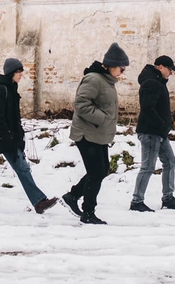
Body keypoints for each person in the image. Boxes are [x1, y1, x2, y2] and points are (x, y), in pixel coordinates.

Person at [0, 58, 58, 214]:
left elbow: (14, 117)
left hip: (10, 139)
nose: (21, 74)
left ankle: (39, 202)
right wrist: (8, 135)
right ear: (11, 73)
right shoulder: (1, 90)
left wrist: (18, 136)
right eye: (18, 71)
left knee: (23, 169)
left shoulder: (12, 89)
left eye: (21, 71)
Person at [62, 42, 129, 225]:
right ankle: (88, 212)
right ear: (111, 65)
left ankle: (73, 195)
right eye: (121, 69)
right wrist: (103, 119)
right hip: (87, 134)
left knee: (101, 170)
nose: (122, 73)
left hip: (98, 134)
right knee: (96, 173)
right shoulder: (94, 79)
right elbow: (81, 105)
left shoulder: (106, 81)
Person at [130, 55, 175, 212]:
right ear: (160, 67)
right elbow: (148, 108)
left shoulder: (157, 82)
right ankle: (136, 201)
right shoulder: (151, 83)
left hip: (158, 132)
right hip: (150, 132)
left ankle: (168, 198)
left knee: (170, 162)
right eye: (170, 69)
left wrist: (163, 128)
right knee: (148, 167)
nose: (171, 73)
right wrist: (161, 124)